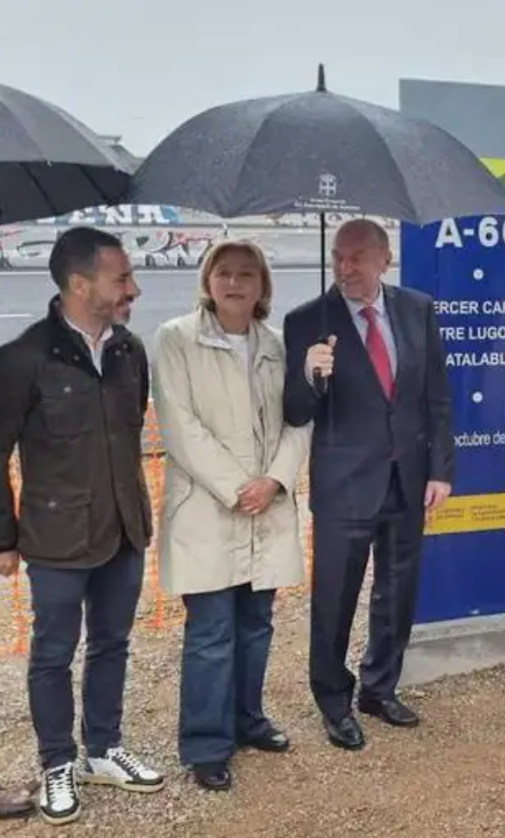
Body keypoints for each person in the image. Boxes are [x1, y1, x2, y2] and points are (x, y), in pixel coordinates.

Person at [0, 227, 164, 826]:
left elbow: (128, 427)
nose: (133, 289)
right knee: (52, 654)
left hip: (124, 529)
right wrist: (5, 537)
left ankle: (102, 748)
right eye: (121, 278)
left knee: (113, 644)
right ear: (79, 283)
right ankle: (57, 763)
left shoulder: (130, 351)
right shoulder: (23, 358)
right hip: (56, 539)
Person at [283, 218, 453, 750]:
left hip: (407, 477)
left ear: (385, 259)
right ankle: (334, 702)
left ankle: (379, 688)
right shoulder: (307, 322)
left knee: (398, 594)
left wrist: (441, 469)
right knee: (335, 599)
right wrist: (311, 375)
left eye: (357, 257)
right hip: (344, 487)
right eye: (338, 257)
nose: (345, 267)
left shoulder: (416, 310)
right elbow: (293, 412)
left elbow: (436, 398)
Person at [153, 241, 312, 790]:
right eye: (224, 272)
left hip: (265, 505)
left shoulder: (278, 346)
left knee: (256, 625)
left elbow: (299, 420)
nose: (235, 282)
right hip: (208, 508)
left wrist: (275, 480)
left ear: (263, 286)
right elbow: (179, 425)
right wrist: (236, 486)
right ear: (208, 280)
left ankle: (248, 719)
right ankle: (205, 741)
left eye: (247, 273)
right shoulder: (176, 339)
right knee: (211, 630)